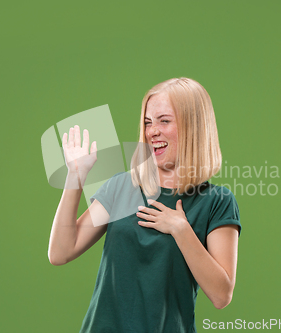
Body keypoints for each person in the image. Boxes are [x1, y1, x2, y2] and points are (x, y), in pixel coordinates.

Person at [48, 77, 241, 333]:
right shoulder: (122, 187)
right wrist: (75, 177)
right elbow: (60, 253)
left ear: (194, 126)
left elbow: (221, 295)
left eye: (164, 121)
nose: (152, 131)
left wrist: (181, 230)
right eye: (148, 122)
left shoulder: (217, 202)